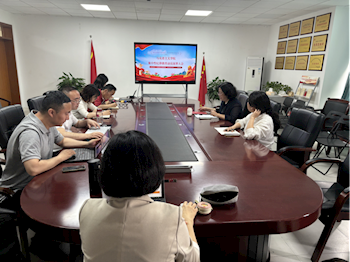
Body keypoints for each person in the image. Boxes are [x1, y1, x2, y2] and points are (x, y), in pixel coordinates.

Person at [79, 131, 200, 262]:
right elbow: (193, 259)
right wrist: (187, 220)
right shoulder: (173, 217)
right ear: (155, 170)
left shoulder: (87, 209)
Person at [0, 91, 100, 209]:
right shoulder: (30, 133)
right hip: (19, 190)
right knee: (69, 200)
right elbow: (33, 168)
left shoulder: (46, 122)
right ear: (51, 112)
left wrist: (87, 144)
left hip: (39, 179)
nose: (68, 118)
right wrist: (60, 157)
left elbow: (62, 141)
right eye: (66, 113)